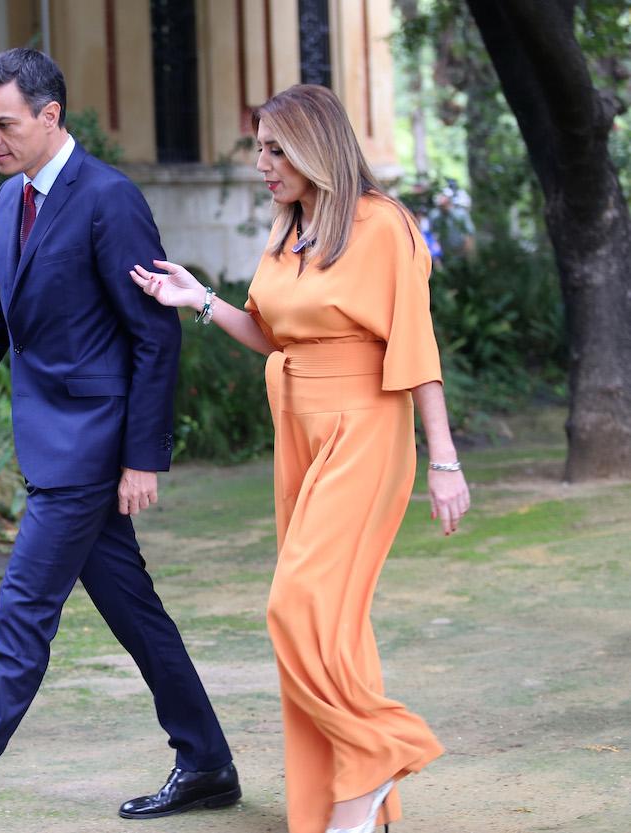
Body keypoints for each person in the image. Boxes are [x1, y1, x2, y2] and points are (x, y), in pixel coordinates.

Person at [0, 48, 241, 833]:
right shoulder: (10, 203)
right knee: (136, 613)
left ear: (49, 116)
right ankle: (206, 761)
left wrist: (142, 457)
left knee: (22, 619)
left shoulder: (110, 199)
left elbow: (154, 337)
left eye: (2, 123)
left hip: (90, 453)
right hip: (54, 444)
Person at [131, 84, 470, 833]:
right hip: (299, 428)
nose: (262, 163)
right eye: (259, 147)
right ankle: (350, 807)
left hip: (364, 429)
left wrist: (443, 461)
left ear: (318, 146)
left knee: (297, 604)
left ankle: (383, 753)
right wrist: (197, 299)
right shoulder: (291, 229)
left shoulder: (381, 226)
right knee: (334, 624)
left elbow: (417, 349)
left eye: (275, 148)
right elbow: (272, 332)